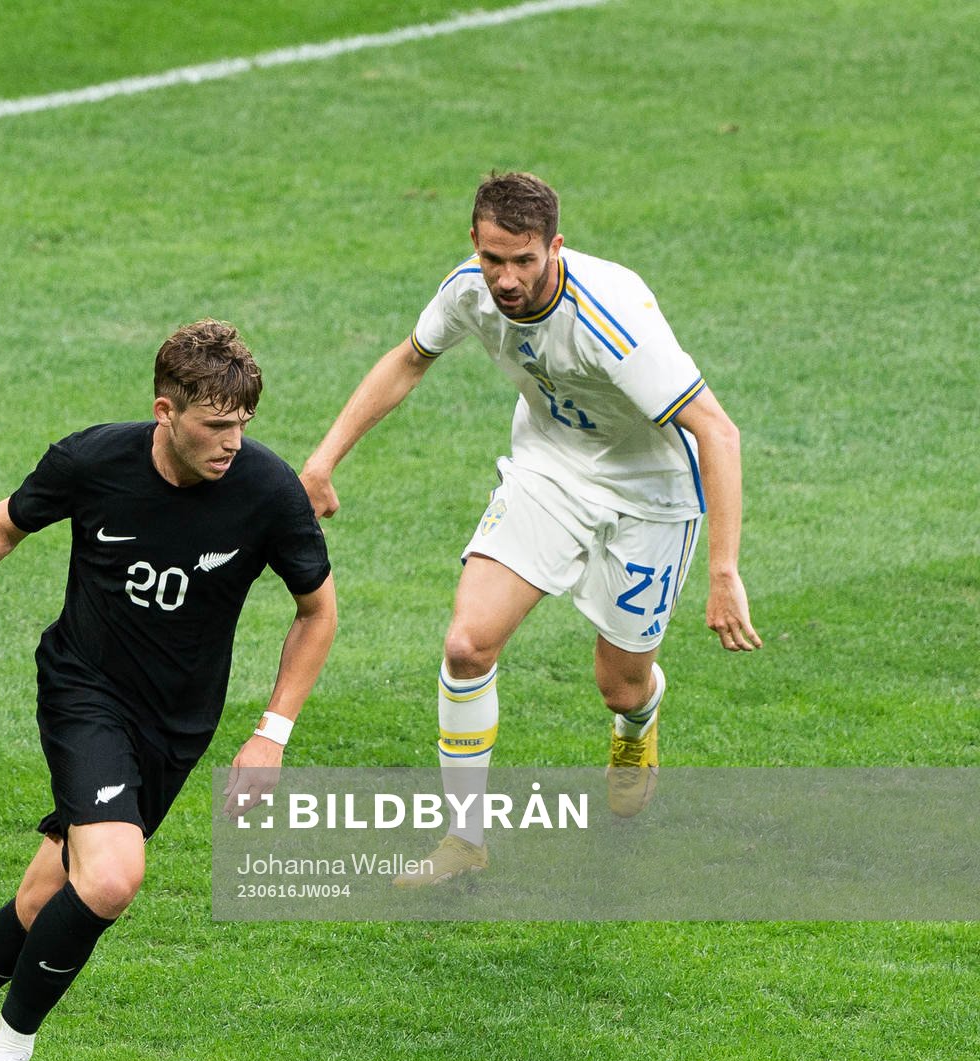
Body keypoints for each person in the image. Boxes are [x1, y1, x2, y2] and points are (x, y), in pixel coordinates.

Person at [0, 319, 335, 1061]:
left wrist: (272, 733)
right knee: (111, 879)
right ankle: (7, 1053)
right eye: (215, 424)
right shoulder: (94, 460)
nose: (232, 442)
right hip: (85, 692)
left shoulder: (267, 491)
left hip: (177, 727)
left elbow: (317, 610)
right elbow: (3, 523)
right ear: (165, 412)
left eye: (243, 424)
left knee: (45, 900)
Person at [300, 171, 760, 885]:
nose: (506, 279)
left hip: (651, 496)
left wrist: (724, 574)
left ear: (555, 248)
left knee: (620, 685)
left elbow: (718, 432)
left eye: (524, 260)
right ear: (474, 244)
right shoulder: (469, 289)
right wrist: (323, 460)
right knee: (467, 645)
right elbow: (408, 360)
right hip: (549, 472)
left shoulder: (610, 318)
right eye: (493, 258)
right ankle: (465, 839)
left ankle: (637, 723)